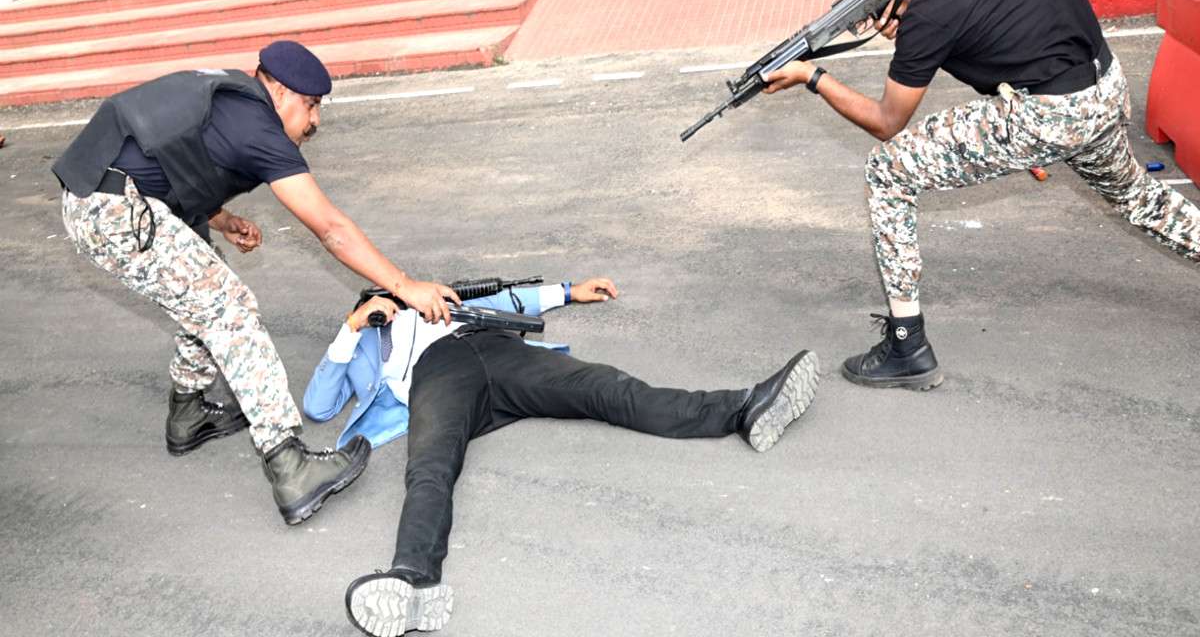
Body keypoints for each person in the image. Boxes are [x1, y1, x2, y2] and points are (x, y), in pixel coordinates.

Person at [762, 0, 1200, 391]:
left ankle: (907, 345)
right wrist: (916, 15)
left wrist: (815, 77)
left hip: (1048, 115)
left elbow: (887, 121)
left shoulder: (933, 14)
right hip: (1104, 85)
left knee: (888, 172)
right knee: (1138, 198)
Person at [52, 40, 460, 525]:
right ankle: (289, 463)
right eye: (311, 106)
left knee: (201, 286)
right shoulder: (258, 128)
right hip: (114, 210)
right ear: (282, 92)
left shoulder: (231, 98)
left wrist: (220, 219)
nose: (315, 122)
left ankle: (188, 412)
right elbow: (330, 228)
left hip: (106, 198)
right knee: (228, 308)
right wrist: (405, 284)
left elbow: (167, 154)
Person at [303, 277, 821, 636]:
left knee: (608, 389)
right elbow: (319, 404)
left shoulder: (440, 296)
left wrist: (570, 291)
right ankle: (413, 579)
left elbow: (508, 294)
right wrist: (354, 326)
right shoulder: (371, 336)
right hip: (439, 376)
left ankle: (743, 410)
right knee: (430, 468)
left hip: (499, 350)